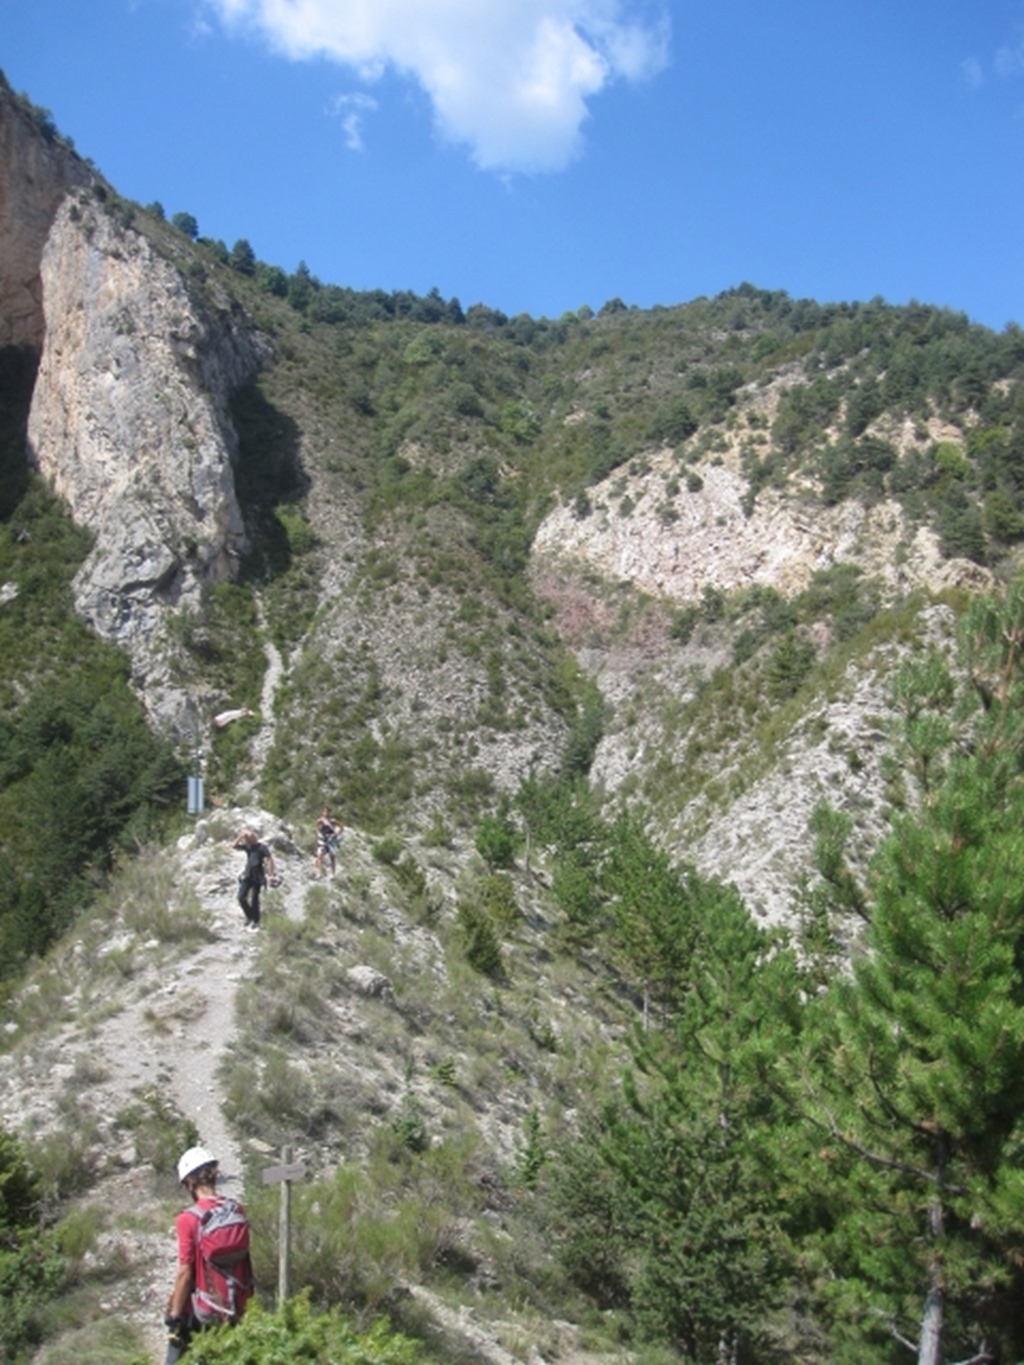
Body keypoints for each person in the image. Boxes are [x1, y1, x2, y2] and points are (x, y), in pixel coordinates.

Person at [164, 1146, 252, 1363]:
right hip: (238, 1305)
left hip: (205, 1311)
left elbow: (185, 1271)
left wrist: (174, 1314)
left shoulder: (187, 1219)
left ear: (190, 1183)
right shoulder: (235, 1209)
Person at [232, 828, 275, 931]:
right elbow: (234, 846)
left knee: (255, 899)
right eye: (247, 839)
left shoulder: (261, 847)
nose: (249, 840)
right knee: (241, 897)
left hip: (258, 876)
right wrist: (240, 836)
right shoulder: (248, 847)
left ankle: (256, 921)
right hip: (247, 875)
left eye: (250, 838)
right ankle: (250, 916)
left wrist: (271, 874)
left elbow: (270, 859)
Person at [314, 806, 343, 877]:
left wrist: (335, 834)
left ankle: (332, 873)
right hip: (323, 839)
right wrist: (319, 834)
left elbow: (341, 827)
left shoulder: (332, 821)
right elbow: (317, 828)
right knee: (319, 855)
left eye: (327, 812)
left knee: (332, 856)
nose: (325, 813)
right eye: (324, 811)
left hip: (331, 840)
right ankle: (320, 873)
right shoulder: (320, 820)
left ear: (329, 813)